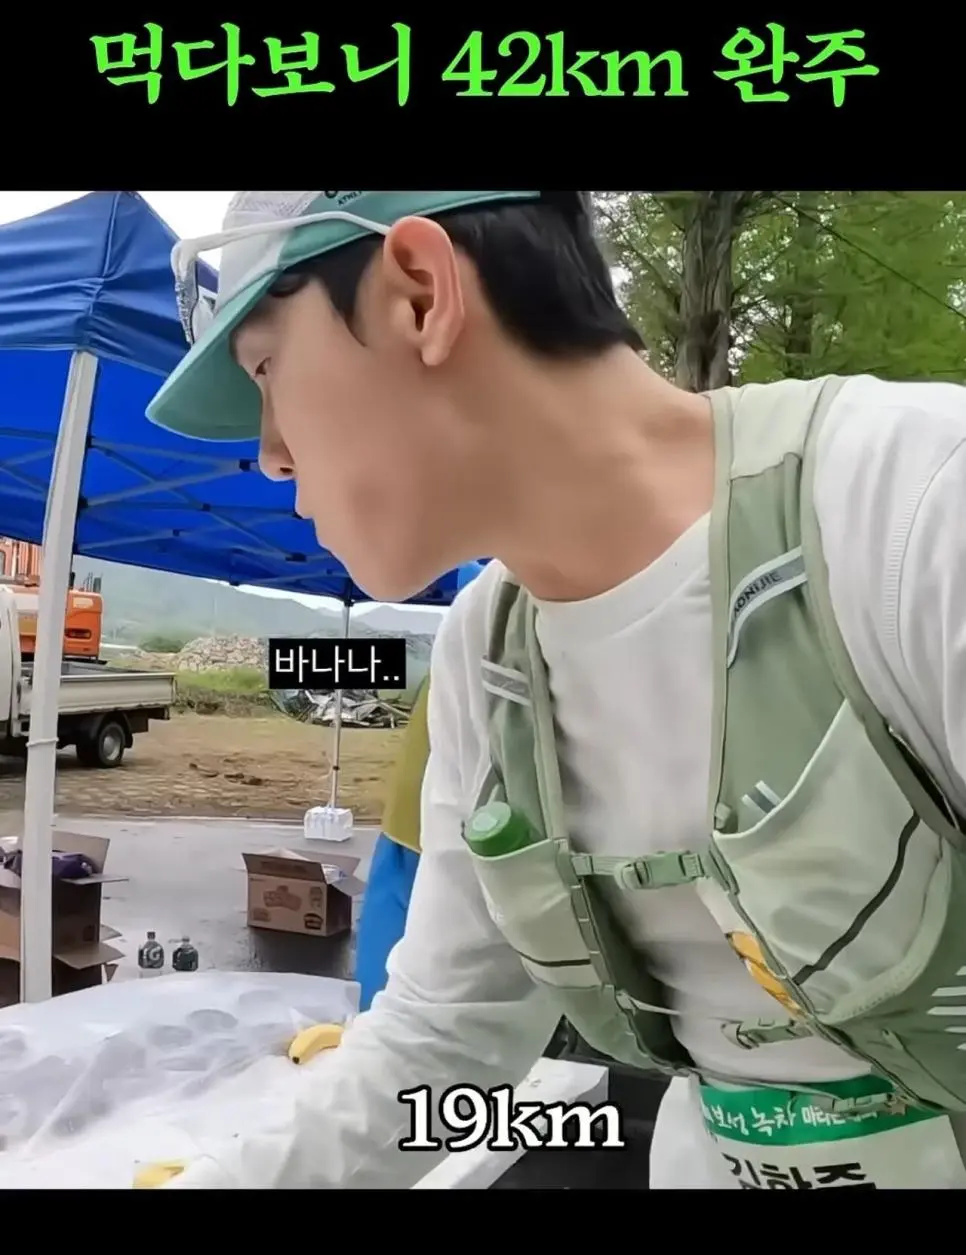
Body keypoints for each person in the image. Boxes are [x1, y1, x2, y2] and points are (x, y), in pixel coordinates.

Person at [146, 190, 966, 1190]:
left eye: (266, 370)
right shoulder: (489, 655)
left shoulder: (912, 510)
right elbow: (440, 1042)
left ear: (419, 294)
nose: (271, 453)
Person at [355, 560, 484, 1010]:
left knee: (396, 948)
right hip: (431, 831)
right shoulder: (489, 646)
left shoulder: (457, 650)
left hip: (414, 826)